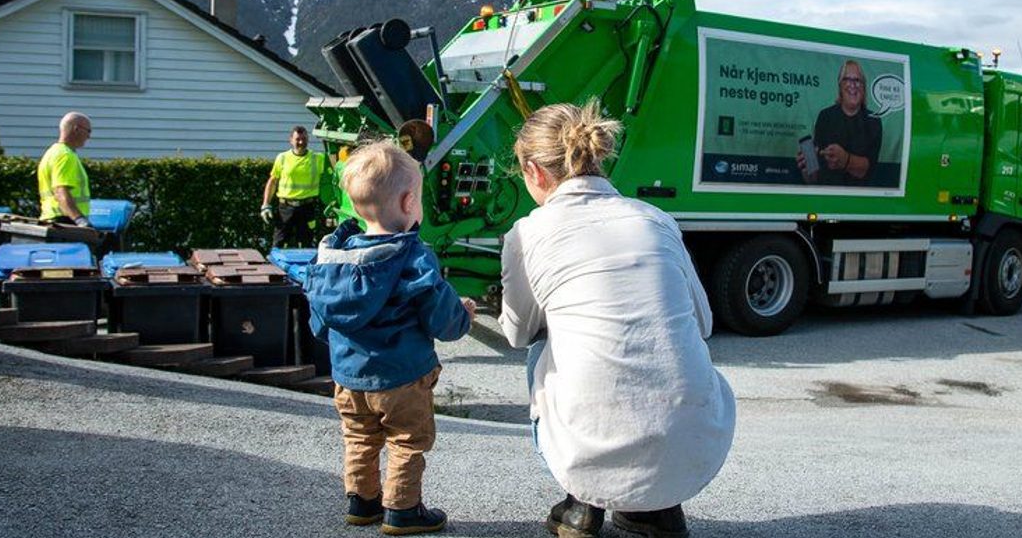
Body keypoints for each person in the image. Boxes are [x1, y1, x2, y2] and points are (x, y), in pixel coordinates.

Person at [499, 101, 735, 538]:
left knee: (541, 347)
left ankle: (581, 504)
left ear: (532, 171)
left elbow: (516, 333)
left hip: (585, 444)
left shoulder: (528, 233)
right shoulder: (656, 219)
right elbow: (703, 323)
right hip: (694, 448)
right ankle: (657, 511)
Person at [304, 140, 476, 536]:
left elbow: (320, 322)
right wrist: (462, 316)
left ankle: (362, 502)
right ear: (408, 202)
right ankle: (402, 510)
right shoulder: (412, 256)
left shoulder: (333, 259)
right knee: (407, 440)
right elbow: (441, 319)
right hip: (402, 377)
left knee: (359, 436)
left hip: (348, 378)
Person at [797, 59, 882, 185]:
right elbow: (813, 179)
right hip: (827, 194)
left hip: (859, 195)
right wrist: (807, 168)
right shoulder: (825, 116)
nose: (852, 85)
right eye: (847, 79)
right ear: (840, 85)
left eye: (857, 80)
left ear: (863, 86)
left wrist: (845, 160)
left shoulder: (873, 120)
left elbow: (867, 170)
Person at [261, 125, 328, 247]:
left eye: (304, 139)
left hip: (307, 208)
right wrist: (266, 205)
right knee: (279, 243)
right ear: (291, 140)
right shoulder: (282, 158)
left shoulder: (318, 158)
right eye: (298, 139)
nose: (301, 142)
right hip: (285, 208)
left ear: (308, 139)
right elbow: (273, 181)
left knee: (306, 245)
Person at [37, 111, 92, 227]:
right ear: (76, 129)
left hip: (49, 220)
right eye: (88, 131)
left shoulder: (51, 153)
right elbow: (60, 192)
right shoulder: (66, 156)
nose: (89, 136)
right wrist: (79, 220)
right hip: (65, 222)